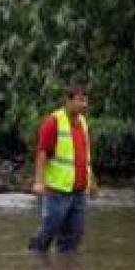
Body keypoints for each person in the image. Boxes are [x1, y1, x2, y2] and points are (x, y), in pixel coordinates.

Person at [28, 85, 95, 252]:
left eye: (85, 100)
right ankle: (33, 256)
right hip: (57, 190)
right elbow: (42, 153)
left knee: (74, 236)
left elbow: (85, 157)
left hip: (79, 191)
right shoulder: (53, 122)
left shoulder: (83, 123)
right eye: (80, 100)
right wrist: (38, 182)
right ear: (68, 100)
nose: (84, 104)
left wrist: (92, 181)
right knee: (48, 230)